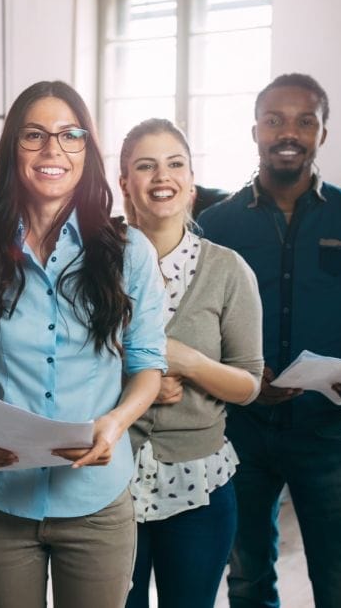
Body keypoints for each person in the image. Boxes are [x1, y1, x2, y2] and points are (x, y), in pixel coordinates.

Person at [0, 80, 167, 608]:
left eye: (71, 135)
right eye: (35, 135)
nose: (53, 150)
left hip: (96, 505)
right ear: (12, 149)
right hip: (1, 503)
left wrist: (114, 424)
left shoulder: (128, 252)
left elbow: (147, 364)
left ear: (87, 151)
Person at [198, 73, 341, 608]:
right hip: (241, 431)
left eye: (305, 121)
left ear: (322, 134)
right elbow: (194, 323)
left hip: (328, 433)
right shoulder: (215, 224)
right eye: (275, 120)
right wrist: (238, 376)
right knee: (246, 579)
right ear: (256, 131)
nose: (289, 132)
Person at [118, 118, 263, 608]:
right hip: (107, 479)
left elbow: (249, 384)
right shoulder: (91, 266)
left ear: (191, 181)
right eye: (146, 165)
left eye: (175, 163)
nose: (163, 176)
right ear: (125, 184)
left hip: (199, 486)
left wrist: (191, 362)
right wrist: (139, 381)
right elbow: (61, 363)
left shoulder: (227, 270)